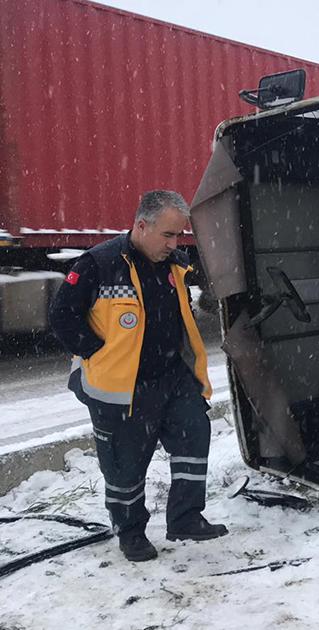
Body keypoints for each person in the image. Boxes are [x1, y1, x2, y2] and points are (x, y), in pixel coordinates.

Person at [49, 190, 227, 562]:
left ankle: (186, 518)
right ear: (141, 225)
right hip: (123, 388)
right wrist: (96, 353)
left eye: (179, 235)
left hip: (172, 377)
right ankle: (130, 532)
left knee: (193, 435)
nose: (174, 243)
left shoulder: (174, 264)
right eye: (167, 235)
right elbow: (62, 315)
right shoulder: (98, 264)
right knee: (124, 465)